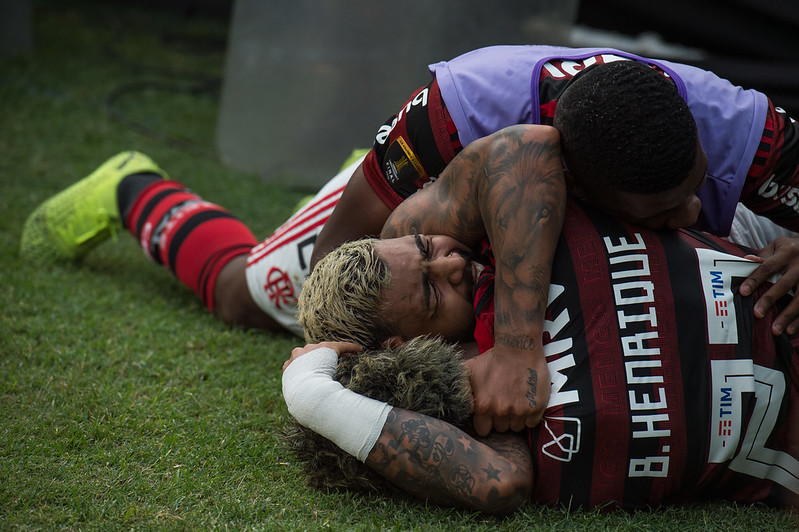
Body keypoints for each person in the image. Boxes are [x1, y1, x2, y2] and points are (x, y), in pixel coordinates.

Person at [19, 47, 799, 433]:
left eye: (694, 187)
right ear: (577, 187)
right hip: (411, 207)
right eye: (662, 212)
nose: (690, 208)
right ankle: (132, 186)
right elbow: (338, 270)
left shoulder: (747, 134)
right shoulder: (458, 111)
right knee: (256, 297)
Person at [285, 192, 799, 514]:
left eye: (427, 247)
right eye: (430, 293)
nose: (452, 264)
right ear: (401, 349)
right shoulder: (483, 414)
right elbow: (498, 485)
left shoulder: (509, 229)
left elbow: (526, 143)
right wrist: (310, 394)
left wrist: (517, 346)